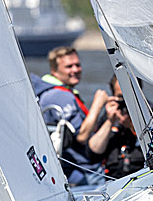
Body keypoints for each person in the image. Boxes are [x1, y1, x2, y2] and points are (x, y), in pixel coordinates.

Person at [30, 46, 107, 186]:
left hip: (67, 169)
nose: (75, 70)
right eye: (69, 66)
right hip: (84, 171)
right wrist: (98, 104)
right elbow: (82, 136)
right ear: (54, 70)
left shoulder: (46, 90)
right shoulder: (60, 96)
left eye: (77, 65)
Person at [88, 75, 153, 178]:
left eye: (128, 97)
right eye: (121, 97)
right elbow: (93, 154)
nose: (125, 103)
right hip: (115, 180)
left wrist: (133, 126)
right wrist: (109, 121)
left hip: (148, 176)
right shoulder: (111, 116)